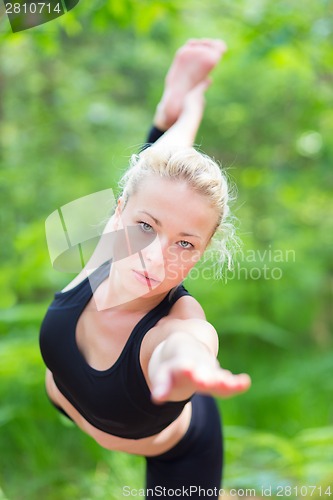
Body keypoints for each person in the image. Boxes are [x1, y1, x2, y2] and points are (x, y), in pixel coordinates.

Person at [39, 39, 251, 499]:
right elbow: (158, 167)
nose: (156, 256)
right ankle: (171, 103)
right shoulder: (107, 248)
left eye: (185, 243)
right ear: (117, 213)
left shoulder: (178, 324)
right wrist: (183, 106)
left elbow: (186, 345)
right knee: (160, 176)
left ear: (201, 252)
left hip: (182, 452)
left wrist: (191, 367)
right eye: (144, 226)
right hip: (80, 402)